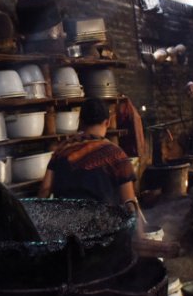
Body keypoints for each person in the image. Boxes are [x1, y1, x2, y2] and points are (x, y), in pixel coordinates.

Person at [37, 98, 145, 234]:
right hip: (103, 233)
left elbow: (45, 190)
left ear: (80, 122)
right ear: (108, 122)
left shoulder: (62, 151)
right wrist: (139, 238)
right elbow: (129, 203)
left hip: (67, 231)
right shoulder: (116, 155)